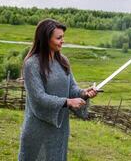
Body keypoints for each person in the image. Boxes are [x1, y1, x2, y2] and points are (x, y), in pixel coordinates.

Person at [19, 19, 98, 161]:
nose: (63, 41)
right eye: (58, 38)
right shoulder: (31, 64)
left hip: (59, 128)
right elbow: (38, 97)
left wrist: (84, 94)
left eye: (63, 37)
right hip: (37, 128)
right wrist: (67, 102)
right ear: (45, 38)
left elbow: (72, 88)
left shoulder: (63, 61)